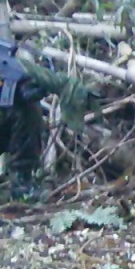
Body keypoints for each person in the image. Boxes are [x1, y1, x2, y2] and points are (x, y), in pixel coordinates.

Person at [0, 39, 94, 202]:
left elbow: (45, 78)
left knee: (26, 107)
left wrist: (25, 89)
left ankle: (22, 183)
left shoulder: (7, 63)